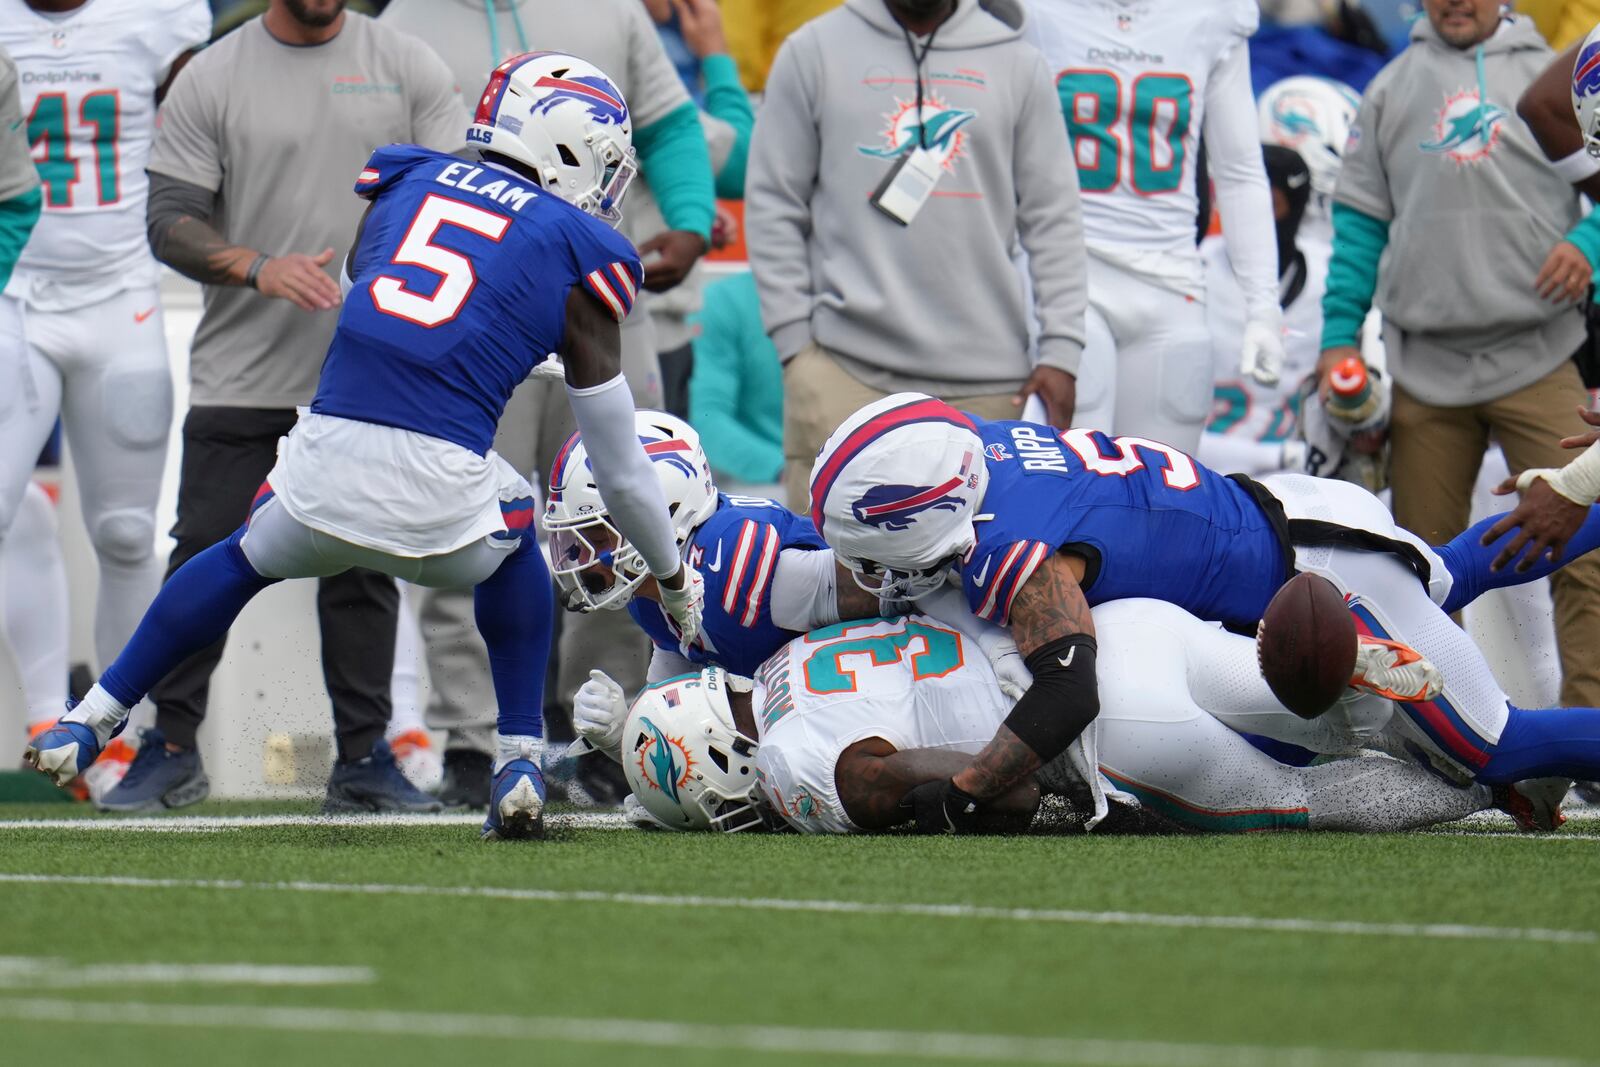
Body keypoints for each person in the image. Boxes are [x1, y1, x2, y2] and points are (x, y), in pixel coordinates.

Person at [27, 51, 706, 841]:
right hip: (446, 507)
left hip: (320, 470)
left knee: (241, 555)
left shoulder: (401, 182)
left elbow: (371, 308)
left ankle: (92, 715)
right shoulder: (577, 248)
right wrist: (674, 578)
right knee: (520, 515)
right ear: (565, 145)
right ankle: (519, 751)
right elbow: (622, 472)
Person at [807, 393, 1600, 831]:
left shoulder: (1013, 548)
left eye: (871, 546)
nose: (867, 569)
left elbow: (1067, 687)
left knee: (1497, 748)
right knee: (1443, 576)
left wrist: (967, 790)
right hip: (1286, 515)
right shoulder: (983, 448)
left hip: (1320, 574)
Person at [99, 0, 464, 814]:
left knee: (363, 565)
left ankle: (366, 758)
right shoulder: (213, 74)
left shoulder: (409, 64)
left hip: (369, 377)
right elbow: (169, 222)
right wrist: (260, 267)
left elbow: (458, 206)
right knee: (202, 553)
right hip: (242, 374)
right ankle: (168, 746)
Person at [380, 0, 717, 807]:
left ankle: (603, 730)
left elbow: (668, 128)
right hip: (473, 321)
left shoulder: (612, 11)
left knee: (621, 515)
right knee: (461, 530)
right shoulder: (403, 20)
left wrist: (692, 221)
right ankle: (470, 735)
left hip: (590, 307)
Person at [593, 606, 1500, 836]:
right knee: (1318, 703)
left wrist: (966, 790)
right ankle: (1485, 734)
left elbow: (1007, 790)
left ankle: (1492, 791)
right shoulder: (786, 660)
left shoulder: (788, 764)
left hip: (1106, 730)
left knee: (1308, 800)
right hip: (1118, 630)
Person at [1316, 0, 1600, 714]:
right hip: (1427, 372)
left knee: (1589, 555)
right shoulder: (1388, 88)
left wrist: (1589, 245)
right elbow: (1357, 227)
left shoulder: (1552, 78)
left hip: (1540, 353)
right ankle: (1445, 739)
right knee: (1420, 570)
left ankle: (1591, 731)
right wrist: (1338, 341)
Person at [746, 0, 1087, 511]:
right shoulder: (812, 51)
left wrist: (1062, 350)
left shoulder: (1018, 62)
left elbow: (1054, 216)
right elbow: (773, 202)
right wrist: (797, 349)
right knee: (835, 584)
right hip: (844, 376)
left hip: (988, 390)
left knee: (979, 584)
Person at [0, 0, 210, 798]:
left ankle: (109, 730)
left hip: (120, 293)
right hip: (13, 289)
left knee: (126, 531)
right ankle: (45, 715)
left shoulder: (158, 16)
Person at [1025, 0, 1284, 456]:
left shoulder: (1213, 14)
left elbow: (1239, 168)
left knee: (1161, 490)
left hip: (1172, 284)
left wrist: (1264, 306)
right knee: (1076, 480)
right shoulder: (1035, 11)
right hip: (1067, 276)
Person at [547, 411, 887, 748]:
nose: (585, 559)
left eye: (598, 538)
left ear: (662, 511)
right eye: (579, 542)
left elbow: (890, 593)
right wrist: (620, 734)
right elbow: (671, 734)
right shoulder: (648, 598)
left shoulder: (733, 564)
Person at [687, 272, 784, 494]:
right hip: (769, 486)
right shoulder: (724, 302)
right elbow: (704, 419)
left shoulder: (873, 298)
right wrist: (784, 469)